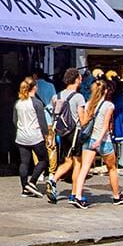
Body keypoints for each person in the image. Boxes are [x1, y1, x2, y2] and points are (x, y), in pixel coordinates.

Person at [69, 79, 123, 209]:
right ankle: (117, 196)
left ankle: (77, 196)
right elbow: (106, 126)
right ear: (106, 91)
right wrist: (99, 140)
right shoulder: (109, 106)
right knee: (112, 168)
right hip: (103, 141)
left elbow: (83, 123)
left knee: (84, 168)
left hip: (88, 139)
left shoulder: (89, 104)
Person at [46, 67, 83, 203]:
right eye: (79, 77)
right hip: (75, 132)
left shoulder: (57, 96)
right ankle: (74, 193)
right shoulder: (78, 97)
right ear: (76, 79)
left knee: (67, 161)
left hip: (62, 132)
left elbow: (54, 115)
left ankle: (53, 180)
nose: (81, 80)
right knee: (77, 163)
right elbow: (82, 119)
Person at [14, 77, 50, 198]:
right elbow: (42, 122)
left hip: (21, 136)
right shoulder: (36, 103)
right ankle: (32, 182)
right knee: (44, 160)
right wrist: (47, 136)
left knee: (24, 162)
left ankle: (24, 187)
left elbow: (15, 120)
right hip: (35, 136)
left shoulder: (18, 103)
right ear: (34, 88)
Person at [32, 69, 57, 175]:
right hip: (49, 119)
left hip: (36, 121)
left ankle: (39, 171)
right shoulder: (50, 86)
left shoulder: (33, 87)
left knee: (36, 146)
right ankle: (52, 171)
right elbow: (55, 102)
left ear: (35, 75)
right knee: (51, 146)